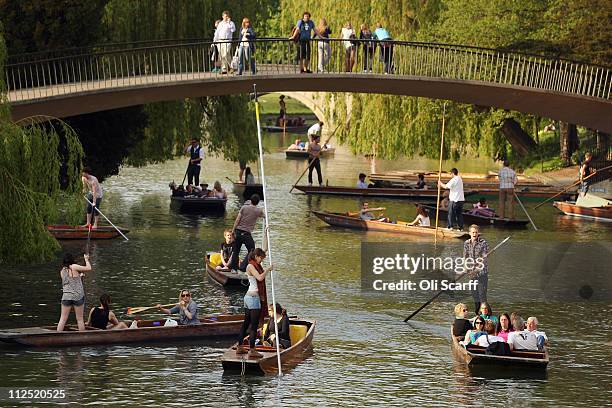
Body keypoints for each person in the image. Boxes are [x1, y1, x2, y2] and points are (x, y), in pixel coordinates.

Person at [235, 248, 273, 358]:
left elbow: (264, 248)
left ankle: (240, 346)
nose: (261, 261)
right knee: (253, 325)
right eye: (261, 258)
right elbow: (260, 278)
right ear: (256, 256)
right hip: (253, 298)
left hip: (248, 297)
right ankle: (252, 350)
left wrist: (266, 233)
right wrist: (268, 269)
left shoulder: (253, 265)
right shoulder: (251, 266)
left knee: (246, 323)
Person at [57, 253, 92, 332]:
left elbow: (70, 281)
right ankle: (82, 337)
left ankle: (57, 335)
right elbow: (89, 268)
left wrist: (80, 276)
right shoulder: (74, 266)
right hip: (77, 296)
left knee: (62, 319)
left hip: (66, 296)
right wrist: (86, 259)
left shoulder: (62, 271)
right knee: (79, 319)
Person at [231, 194, 265, 271]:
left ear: (250, 200)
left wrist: (233, 231)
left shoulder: (244, 207)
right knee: (252, 250)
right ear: (258, 202)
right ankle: (243, 267)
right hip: (246, 234)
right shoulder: (258, 211)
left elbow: (237, 220)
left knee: (236, 251)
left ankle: (234, 269)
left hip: (238, 232)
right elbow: (264, 216)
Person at [464, 224, 489, 314]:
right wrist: (466, 267)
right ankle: (477, 313)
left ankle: (486, 314)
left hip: (482, 273)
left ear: (478, 233)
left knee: (482, 295)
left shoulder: (483, 243)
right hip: (472, 273)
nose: (474, 234)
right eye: (473, 232)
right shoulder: (466, 243)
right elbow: (465, 257)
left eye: (476, 232)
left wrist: (476, 270)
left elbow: (484, 260)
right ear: (470, 233)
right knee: (474, 294)